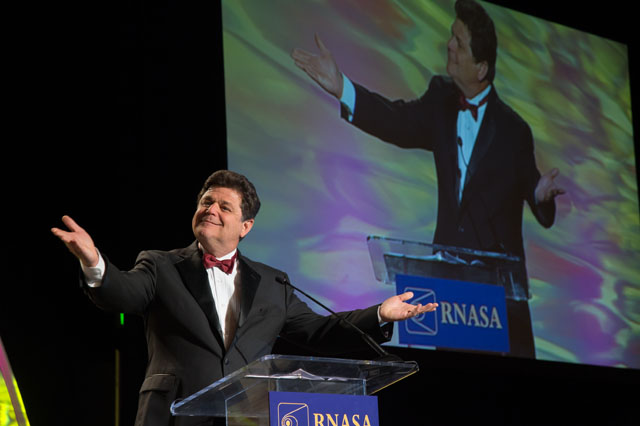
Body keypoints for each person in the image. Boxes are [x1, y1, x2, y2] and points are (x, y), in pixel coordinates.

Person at [51, 169, 437, 426]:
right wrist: (95, 261)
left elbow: (320, 330)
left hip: (246, 418)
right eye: (206, 202)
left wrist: (380, 314)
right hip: (171, 417)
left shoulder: (272, 283)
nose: (211, 210)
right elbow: (122, 294)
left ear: (246, 226)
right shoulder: (160, 266)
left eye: (224, 206)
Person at [291, 0, 564, 357]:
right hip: (450, 297)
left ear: (481, 67)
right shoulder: (441, 100)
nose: (449, 45)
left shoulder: (514, 130)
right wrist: (343, 87)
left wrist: (541, 195)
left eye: (459, 43)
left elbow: (533, 190)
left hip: (497, 299)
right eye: (452, 35)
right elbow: (396, 121)